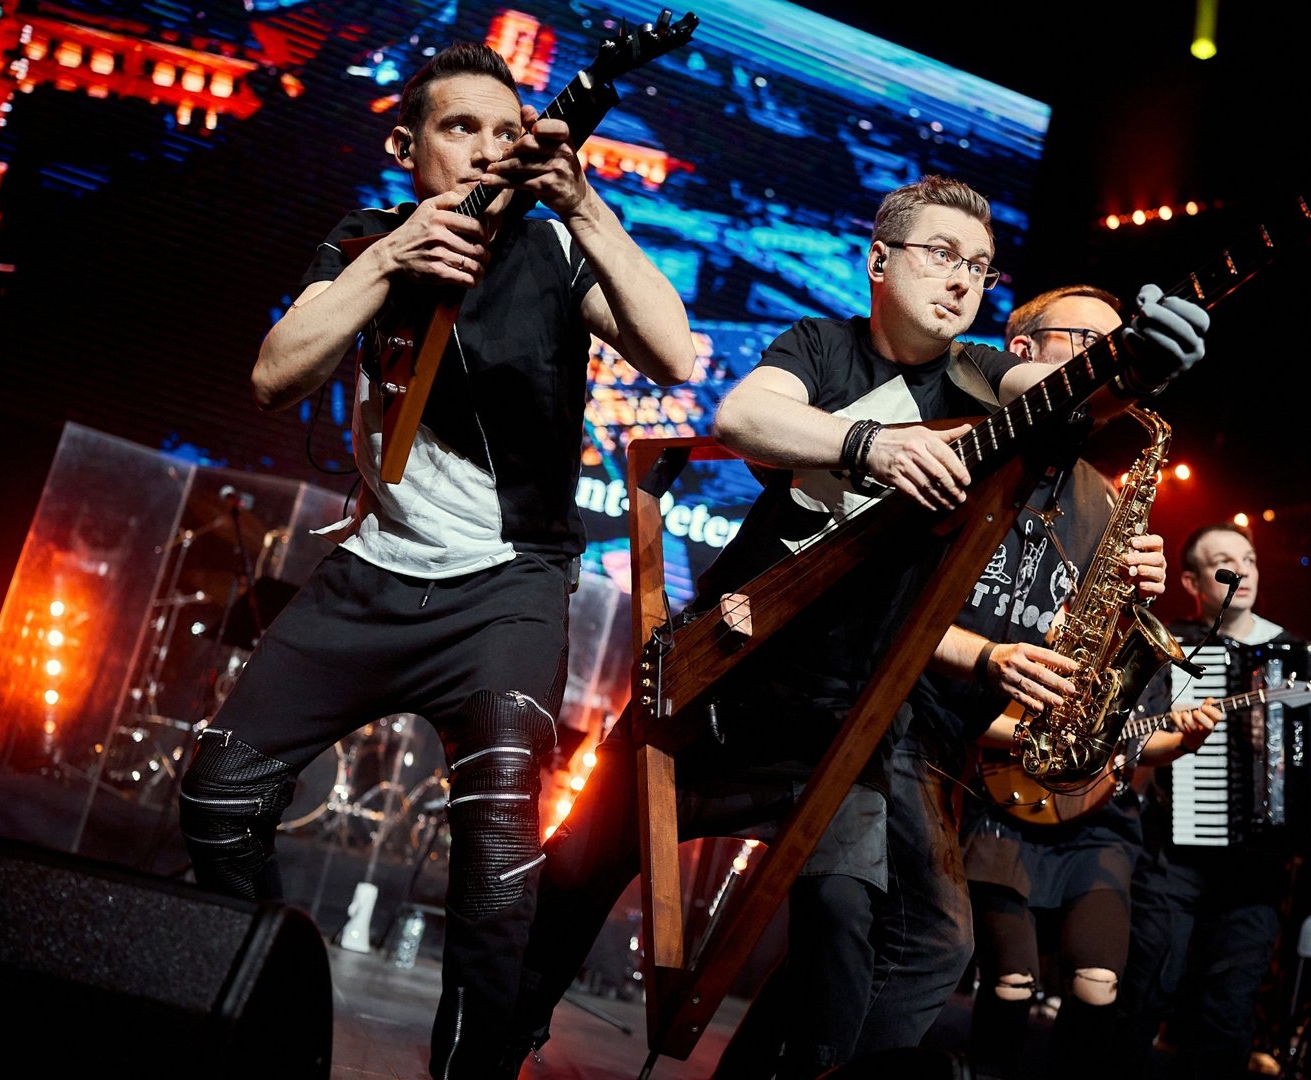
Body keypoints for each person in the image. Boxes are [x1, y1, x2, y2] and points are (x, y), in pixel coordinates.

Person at [502, 179, 1212, 1078]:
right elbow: (741, 416)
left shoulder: (984, 376)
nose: (962, 279)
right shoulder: (821, 346)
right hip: (721, 685)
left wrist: (1131, 368)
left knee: (846, 929)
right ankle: (502, 1034)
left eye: (981, 267)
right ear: (880, 261)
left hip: (842, 728)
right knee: (577, 875)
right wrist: (871, 445)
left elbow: (1060, 392)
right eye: (942, 255)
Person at [174, 41, 696, 1078]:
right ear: (405, 147)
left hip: (506, 592)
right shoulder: (365, 238)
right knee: (218, 803)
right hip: (369, 578)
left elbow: (674, 355)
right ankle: (274, 1019)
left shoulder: (553, 252)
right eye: (461, 128)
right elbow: (275, 377)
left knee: (498, 870)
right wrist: (389, 260)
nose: (489, 149)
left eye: (507, 132)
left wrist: (585, 206)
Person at [900, 284, 1222, 1080]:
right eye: (1093, 346)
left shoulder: (1102, 498)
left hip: (1013, 775)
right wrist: (991, 668)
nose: (1115, 365)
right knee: (916, 944)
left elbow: (1079, 643)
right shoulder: (957, 443)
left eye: (1122, 350)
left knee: (934, 951)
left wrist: (1129, 598)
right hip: (924, 742)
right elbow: (891, 619)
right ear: (1021, 351)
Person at [1115, 522, 1311, 1080]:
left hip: (1258, 868)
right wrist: (1172, 728)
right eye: (1224, 560)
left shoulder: (1297, 653)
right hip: (1175, 856)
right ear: (1191, 581)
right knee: (1146, 988)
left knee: (1228, 1009)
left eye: (1250, 559)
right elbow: (1128, 737)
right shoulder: (1170, 645)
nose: (1242, 570)